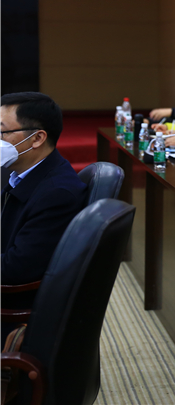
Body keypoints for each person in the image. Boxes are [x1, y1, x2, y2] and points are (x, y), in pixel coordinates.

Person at [1, 92, 88, 326]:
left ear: (37, 138)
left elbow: (16, 269)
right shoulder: (24, 175)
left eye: (2, 132)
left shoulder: (57, 193)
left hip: (14, 309)